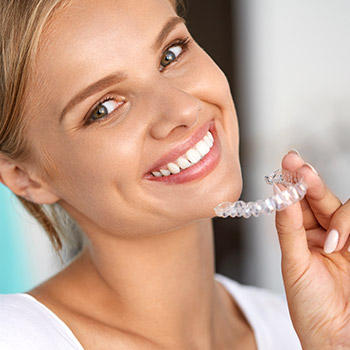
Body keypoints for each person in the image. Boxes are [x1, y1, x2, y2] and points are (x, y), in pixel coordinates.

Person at [0, 0, 349, 349]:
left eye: (171, 54)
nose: (183, 108)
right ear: (24, 176)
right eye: (104, 108)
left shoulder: (299, 327)